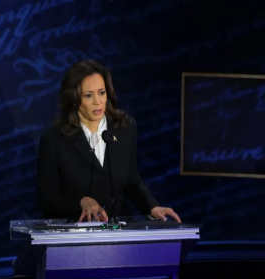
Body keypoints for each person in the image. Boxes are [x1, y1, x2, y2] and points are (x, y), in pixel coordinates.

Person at [36, 59, 182, 223]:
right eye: (88, 95)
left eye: (102, 92)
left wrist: (151, 207)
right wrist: (81, 202)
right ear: (75, 98)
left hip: (117, 231)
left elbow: (131, 180)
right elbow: (47, 200)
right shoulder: (54, 140)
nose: (97, 101)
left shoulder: (125, 129)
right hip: (75, 234)